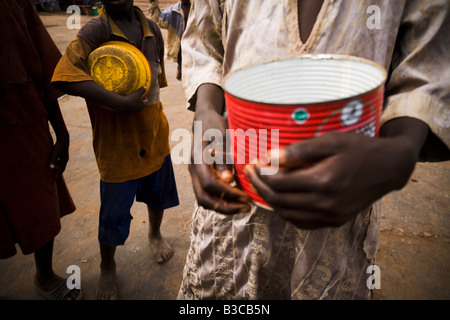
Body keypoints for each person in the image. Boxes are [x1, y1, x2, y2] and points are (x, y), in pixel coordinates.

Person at [177, 0, 450, 299]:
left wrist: (402, 149)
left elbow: (426, 66)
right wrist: (206, 112)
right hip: (234, 191)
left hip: (342, 202)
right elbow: (205, 42)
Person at [51, 0, 179, 300]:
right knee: (113, 214)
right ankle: (108, 266)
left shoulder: (151, 32)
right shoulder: (96, 29)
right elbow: (64, 75)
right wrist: (119, 102)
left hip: (153, 132)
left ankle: (154, 233)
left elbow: (156, 82)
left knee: (157, 195)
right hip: (116, 143)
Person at [0, 0, 79, 300]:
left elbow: (44, 64)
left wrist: (61, 131)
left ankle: (44, 275)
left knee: (40, 196)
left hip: (20, 115)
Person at [148, 0, 191, 80]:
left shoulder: (196, 10)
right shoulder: (173, 11)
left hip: (193, 44)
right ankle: (181, 71)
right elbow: (158, 20)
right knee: (183, 67)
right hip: (180, 45)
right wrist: (153, 5)